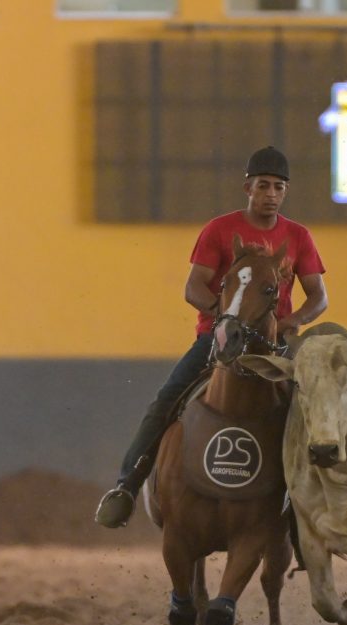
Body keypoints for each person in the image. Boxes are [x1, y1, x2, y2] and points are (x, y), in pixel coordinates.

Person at [95, 146, 328, 528]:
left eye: (279, 187)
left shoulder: (298, 237)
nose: (271, 194)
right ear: (247, 188)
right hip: (218, 338)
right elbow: (194, 287)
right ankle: (127, 486)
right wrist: (228, 318)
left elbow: (318, 296)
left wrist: (293, 321)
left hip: (274, 344)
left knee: (312, 412)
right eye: (264, 185)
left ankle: (311, 506)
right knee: (166, 400)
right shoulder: (219, 229)